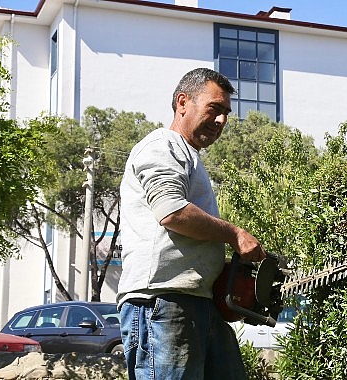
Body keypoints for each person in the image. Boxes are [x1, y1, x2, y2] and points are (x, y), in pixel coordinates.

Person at [118, 67, 266, 379]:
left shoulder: (190, 156)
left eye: (226, 112)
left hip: (197, 302)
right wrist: (234, 234)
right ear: (183, 102)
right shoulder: (162, 145)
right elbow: (172, 212)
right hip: (162, 302)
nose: (221, 120)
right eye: (215, 108)